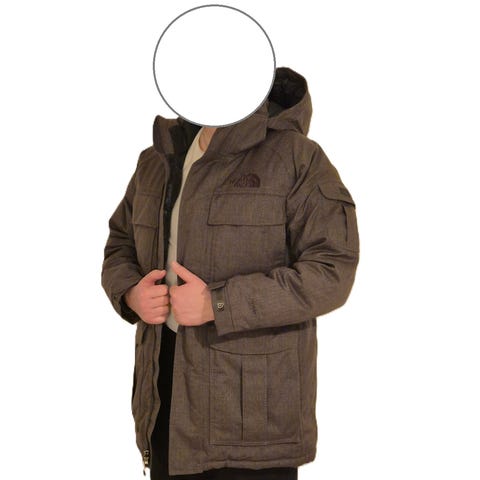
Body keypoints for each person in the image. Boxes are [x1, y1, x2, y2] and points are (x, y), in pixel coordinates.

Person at [101, 66, 360, 479]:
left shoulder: (296, 158)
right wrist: (131, 293)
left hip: (253, 421)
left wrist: (217, 303)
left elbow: (332, 270)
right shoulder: (157, 159)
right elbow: (120, 243)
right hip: (164, 401)